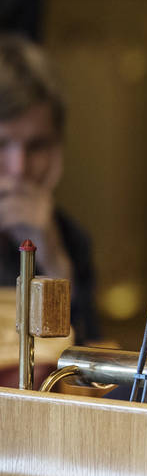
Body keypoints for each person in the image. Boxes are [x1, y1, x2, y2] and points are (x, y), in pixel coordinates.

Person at [0, 36, 99, 343]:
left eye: (37, 146)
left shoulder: (69, 238)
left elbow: (82, 372)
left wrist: (54, 260)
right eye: (1, 145)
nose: (18, 167)